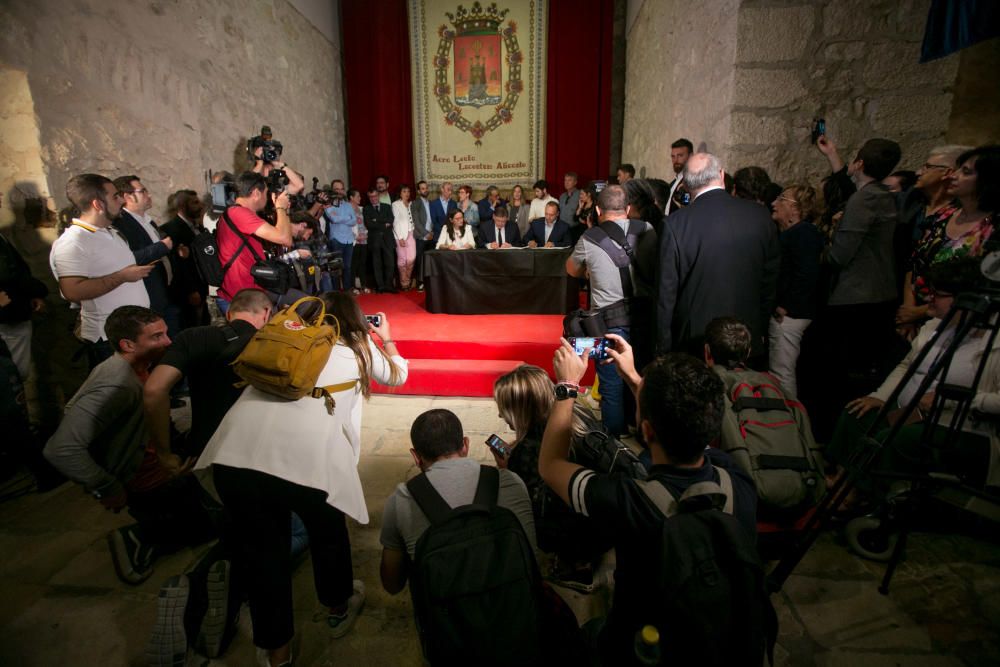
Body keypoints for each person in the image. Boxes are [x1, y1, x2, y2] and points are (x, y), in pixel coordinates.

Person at [195, 291, 408, 667]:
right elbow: (399, 375)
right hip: (306, 461)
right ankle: (338, 607)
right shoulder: (354, 347)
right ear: (355, 320)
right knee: (327, 532)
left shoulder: (283, 338)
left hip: (234, 455)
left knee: (264, 555)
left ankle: (278, 655)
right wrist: (386, 337)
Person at [538, 341, 758, 666]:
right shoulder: (738, 483)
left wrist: (567, 387)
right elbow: (682, 420)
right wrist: (634, 378)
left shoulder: (627, 500)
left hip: (642, 646)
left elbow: (550, 464)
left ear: (646, 429)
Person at [43, 306, 215, 585]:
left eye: (166, 333)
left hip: (159, 460)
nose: (168, 342)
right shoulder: (116, 384)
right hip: (145, 480)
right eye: (157, 337)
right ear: (128, 345)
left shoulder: (139, 369)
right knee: (212, 525)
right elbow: (60, 448)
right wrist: (107, 486)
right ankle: (139, 536)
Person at [827, 258, 1000, 493]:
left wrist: (950, 399)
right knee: (859, 414)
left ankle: (857, 494)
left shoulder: (994, 342)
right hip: (912, 412)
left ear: (964, 299)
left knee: (898, 437)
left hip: (957, 427)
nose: (929, 298)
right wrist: (881, 396)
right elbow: (907, 366)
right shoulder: (936, 327)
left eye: (937, 294)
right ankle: (844, 481)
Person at [379, 408, 537, 590]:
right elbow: (531, 561)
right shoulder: (511, 481)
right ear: (465, 445)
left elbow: (392, 584)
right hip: (516, 606)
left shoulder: (402, 499)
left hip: (447, 615)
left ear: (416, 457)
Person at [812, 136, 902, 434]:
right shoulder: (883, 194)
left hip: (856, 298)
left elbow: (839, 255)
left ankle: (835, 435)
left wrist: (819, 244)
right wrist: (834, 155)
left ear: (861, 163)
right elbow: (851, 192)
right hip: (879, 294)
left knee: (839, 373)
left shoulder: (866, 199)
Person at [657, 153, 780, 365]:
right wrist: (760, 326)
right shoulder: (760, 216)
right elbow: (770, 280)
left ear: (685, 185)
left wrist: (663, 349)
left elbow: (666, 294)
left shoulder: (676, 224)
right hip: (746, 335)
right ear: (721, 175)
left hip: (696, 340)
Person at [492, 365, 612, 565]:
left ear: (519, 411)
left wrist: (507, 468)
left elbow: (532, 502)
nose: (500, 416)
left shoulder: (526, 452)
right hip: (605, 518)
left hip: (579, 536)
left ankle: (571, 565)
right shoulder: (578, 414)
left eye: (504, 409)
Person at [566, 185, 657, 436]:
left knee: (610, 382)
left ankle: (615, 439)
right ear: (627, 209)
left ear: (597, 210)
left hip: (607, 322)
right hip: (644, 317)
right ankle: (643, 429)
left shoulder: (590, 238)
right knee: (640, 374)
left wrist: (591, 268)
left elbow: (572, 270)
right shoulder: (648, 229)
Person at [143, 288, 273, 461]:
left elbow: (154, 390)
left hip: (204, 448)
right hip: (256, 451)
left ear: (228, 313)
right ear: (267, 313)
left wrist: (164, 454)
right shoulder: (274, 346)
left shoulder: (191, 337)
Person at [49, 173, 153, 367]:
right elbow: (72, 291)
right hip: (108, 338)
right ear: (98, 204)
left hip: (132, 332)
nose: (122, 200)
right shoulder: (73, 242)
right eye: (115, 196)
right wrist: (122, 276)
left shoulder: (111, 232)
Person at [900, 145, 999, 335]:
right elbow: (914, 264)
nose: (953, 176)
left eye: (966, 172)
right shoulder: (945, 215)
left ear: (988, 180)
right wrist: (908, 309)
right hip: (914, 315)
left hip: (956, 322)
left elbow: (982, 288)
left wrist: (919, 313)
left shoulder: (993, 228)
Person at [769, 184, 825, 397]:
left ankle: (789, 422)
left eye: (781, 199)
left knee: (782, 372)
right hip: (790, 312)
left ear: (796, 208)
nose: (774, 203)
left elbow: (806, 274)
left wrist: (785, 306)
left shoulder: (804, 234)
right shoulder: (797, 233)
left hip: (790, 316)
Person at [215, 171, 293, 315]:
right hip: (240, 300)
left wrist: (283, 211)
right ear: (256, 193)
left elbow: (284, 240)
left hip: (250, 295)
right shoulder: (238, 213)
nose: (267, 197)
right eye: (266, 193)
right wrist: (281, 207)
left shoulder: (243, 214)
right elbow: (285, 238)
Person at [112, 175, 173, 330]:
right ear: (127, 197)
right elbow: (128, 258)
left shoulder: (147, 220)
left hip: (165, 292)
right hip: (148, 295)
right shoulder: (121, 224)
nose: (149, 195)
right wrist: (161, 247)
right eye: (143, 191)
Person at [0, 205, 48, 382]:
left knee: (17, 376)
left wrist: (34, 294)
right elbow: (8, 274)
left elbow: (18, 271)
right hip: (6, 318)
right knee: (10, 379)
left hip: (15, 313)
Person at [161, 189, 211, 331]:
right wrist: (191, 290)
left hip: (201, 286)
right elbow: (178, 265)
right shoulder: (171, 230)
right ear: (183, 206)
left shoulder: (197, 227)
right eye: (195, 203)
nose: (200, 205)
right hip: (186, 292)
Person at [323, 180, 356, 292]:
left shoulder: (348, 205)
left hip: (349, 239)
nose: (340, 191)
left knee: (347, 267)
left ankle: (347, 292)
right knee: (335, 268)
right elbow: (334, 219)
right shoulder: (328, 204)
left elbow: (354, 221)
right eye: (337, 189)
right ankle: (336, 294)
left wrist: (342, 218)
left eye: (341, 189)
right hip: (336, 239)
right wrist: (347, 218)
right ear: (332, 190)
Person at [363, 187, 396, 293]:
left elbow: (390, 220)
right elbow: (369, 224)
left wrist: (377, 220)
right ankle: (380, 286)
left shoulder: (387, 207)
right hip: (374, 239)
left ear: (379, 196)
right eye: (371, 197)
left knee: (390, 262)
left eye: (375, 196)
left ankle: (389, 285)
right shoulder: (366, 209)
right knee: (377, 263)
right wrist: (383, 223)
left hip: (387, 238)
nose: (373, 199)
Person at [391, 185, 417, 289]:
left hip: (412, 233)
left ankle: (407, 279)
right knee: (402, 260)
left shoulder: (412, 204)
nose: (407, 193)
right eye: (404, 191)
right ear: (400, 193)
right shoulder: (396, 204)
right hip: (400, 235)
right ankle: (404, 283)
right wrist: (400, 237)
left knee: (411, 258)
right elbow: (396, 221)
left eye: (408, 191)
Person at [348, 188, 370, 293]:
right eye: (358, 196)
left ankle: (364, 285)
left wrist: (366, 234)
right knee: (353, 264)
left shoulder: (361, 209)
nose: (360, 198)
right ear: (351, 197)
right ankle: (353, 286)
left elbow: (366, 223)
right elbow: (347, 226)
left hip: (364, 239)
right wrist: (355, 237)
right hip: (354, 240)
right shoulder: (347, 209)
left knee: (363, 263)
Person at [666, 138, 694, 215]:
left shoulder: (692, 181)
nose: (676, 160)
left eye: (680, 155)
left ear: (691, 156)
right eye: (673, 156)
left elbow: (687, 206)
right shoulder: (672, 184)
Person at [559, 172, 582, 242]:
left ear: (575, 182)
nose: (566, 182)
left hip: (575, 230)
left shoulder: (580, 195)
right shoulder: (562, 196)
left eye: (569, 180)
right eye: (565, 180)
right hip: (562, 230)